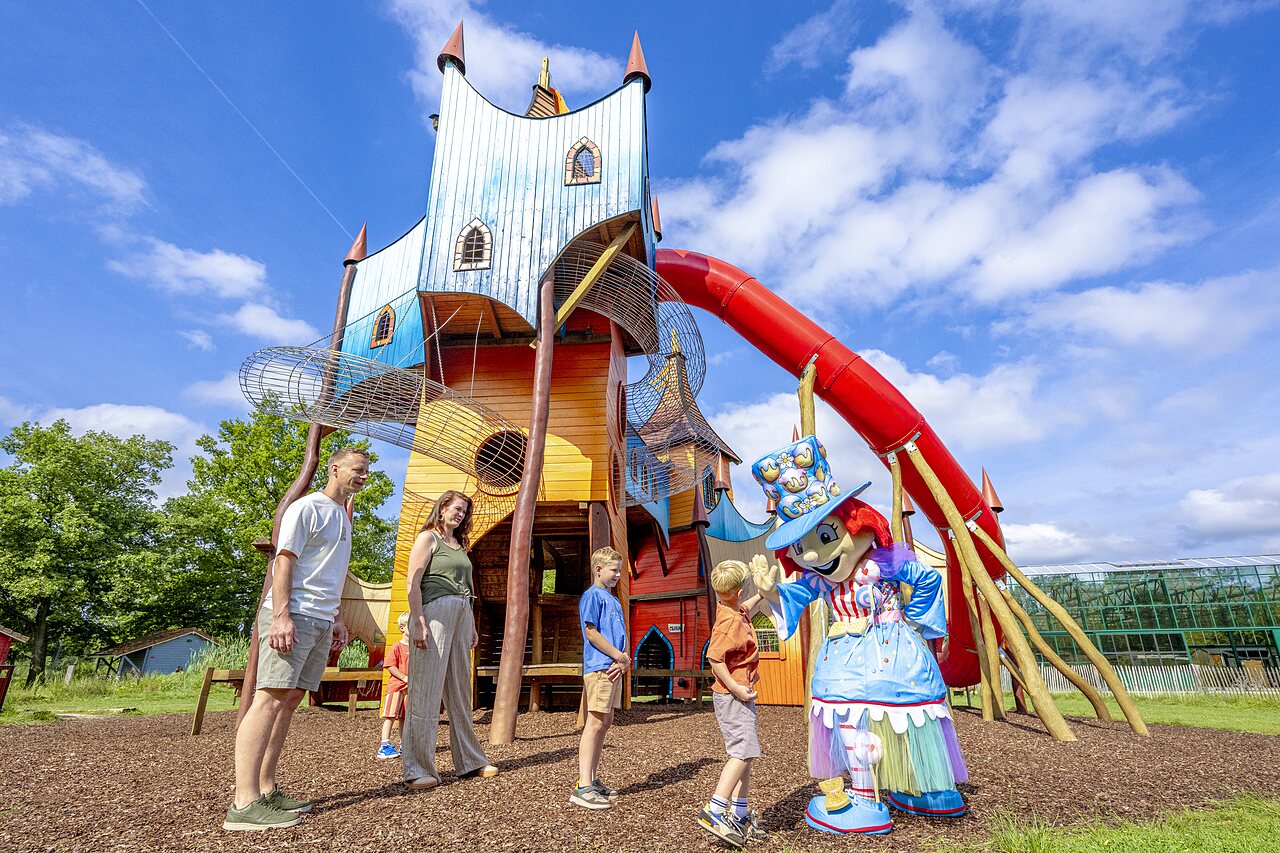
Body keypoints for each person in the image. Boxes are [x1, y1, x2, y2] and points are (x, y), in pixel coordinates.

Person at [750, 434, 967, 836]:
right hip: (851, 653)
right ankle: (901, 793)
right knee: (858, 716)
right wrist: (771, 593)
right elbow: (795, 594)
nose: (812, 556)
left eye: (826, 537)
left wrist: (914, 623)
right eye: (801, 548)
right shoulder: (823, 581)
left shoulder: (883, 563)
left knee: (900, 719)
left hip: (887, 646)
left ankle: (911, 792)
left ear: (858, 525)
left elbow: (925, 582)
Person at [224, 447, 369, 832]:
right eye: (357, 470)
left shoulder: (343, 515)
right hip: (294, 615)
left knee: (289, 701)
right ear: (334, 469)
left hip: (321, 618)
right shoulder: (307, 508)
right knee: (268, 698)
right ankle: (243, 801)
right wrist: (282, 616)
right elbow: (284, 560)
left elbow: (330, 572)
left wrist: (336, 618)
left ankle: (267, 789)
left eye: (366, 471)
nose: (363, 476)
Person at [401, 490, 497, 789]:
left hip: (461, 612)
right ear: (441, 508)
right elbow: (412, 582)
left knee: (459, 689)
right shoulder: (428, 538)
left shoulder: (460, 545)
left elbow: (465, 587)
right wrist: (418, 621)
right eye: (456, 509)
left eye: (464, 511)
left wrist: (469, 623)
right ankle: (417, 768)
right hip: (434, 612)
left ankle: (470, 761)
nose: (461, 515)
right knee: (426, 689)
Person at [698, 559, 768, 847]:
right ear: (738, 590)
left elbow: (746, 608)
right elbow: (714, 657)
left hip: (738, 695)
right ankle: (714, 810)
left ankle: (739, 815)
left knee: (746, 754)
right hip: (732, 697)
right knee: (740, 752)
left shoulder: (732, 608)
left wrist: (763, 592)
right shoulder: (729, 622)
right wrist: (737, 688)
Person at [571, 546, 629, 810]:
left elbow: (617, 634)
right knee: (594, 724)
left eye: (619, 570)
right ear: (598, 569)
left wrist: (623, 660)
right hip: (600, 667)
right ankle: (583, 787)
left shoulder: (613, 599)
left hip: (613, 666)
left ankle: (592, 779)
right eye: (614, 570)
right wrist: (619, 656)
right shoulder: (593, 595)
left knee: (605, 722)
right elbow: (591, 633)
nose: (618, 575)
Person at [376, 612, 411, 760]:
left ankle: (405, 745)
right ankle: (384, 745)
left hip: (408, 688)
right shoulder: (397, 647)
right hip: (396, 687)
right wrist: (404, 677)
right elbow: (390, 665)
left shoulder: (415, 648)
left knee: (404, 717)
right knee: (390, 716)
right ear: (402, 627)